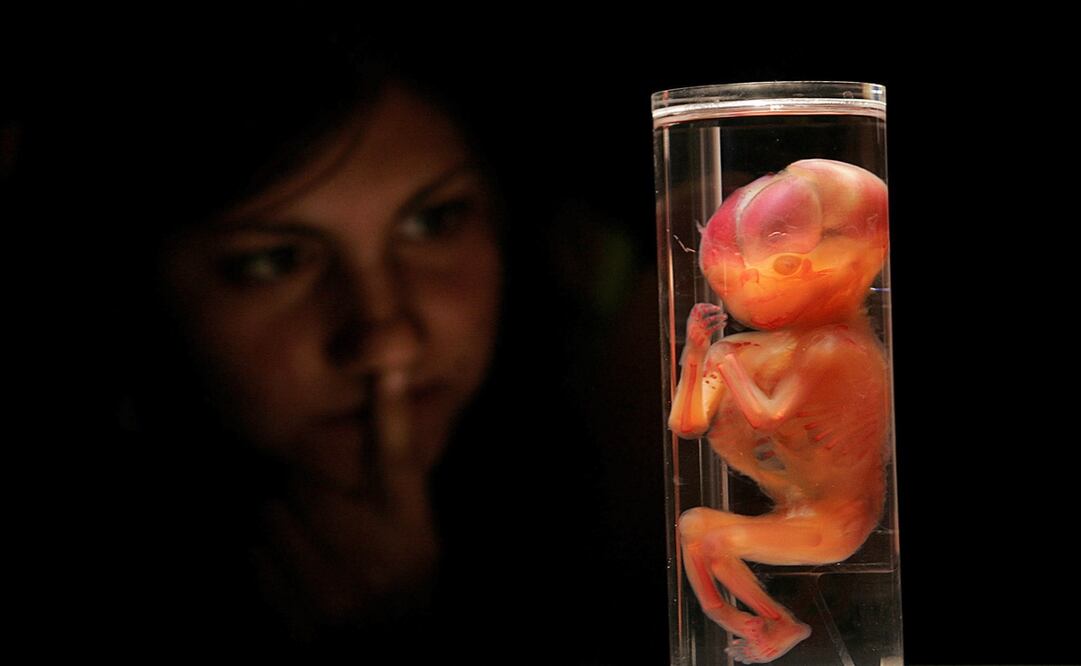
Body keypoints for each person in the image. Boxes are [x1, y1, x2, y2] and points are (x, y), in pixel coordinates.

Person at [13, 28, 605, 660]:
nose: (387, 341)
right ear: (130, 291)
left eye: (432, 222)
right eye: (276, 261)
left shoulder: (619, 503)